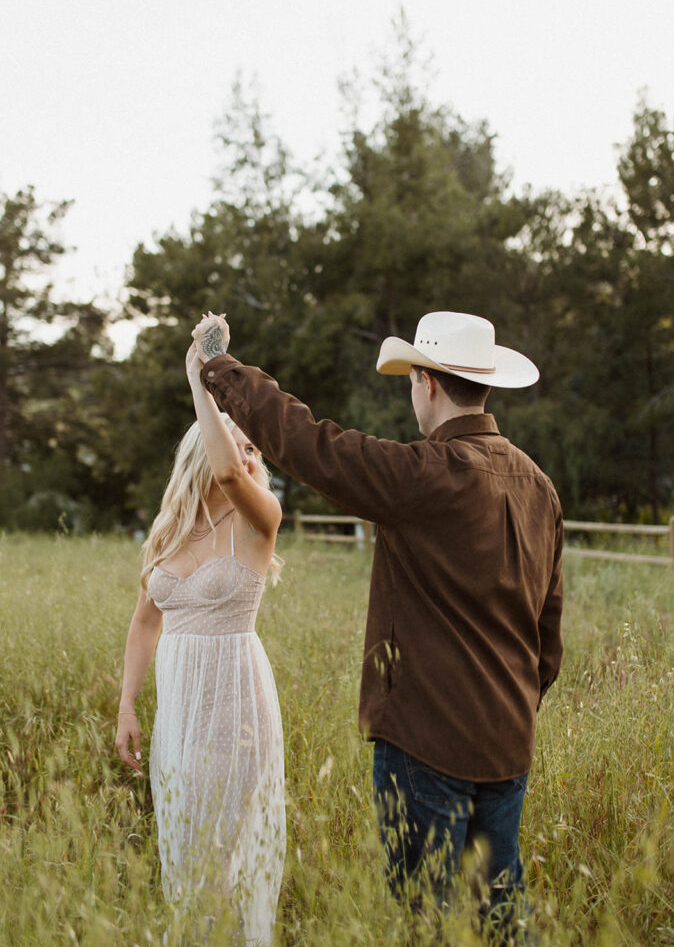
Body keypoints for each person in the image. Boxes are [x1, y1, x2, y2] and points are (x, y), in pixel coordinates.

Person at [191, 309, 564, 942]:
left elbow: (310, 443)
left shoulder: (426, 476)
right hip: (508, 742)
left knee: (427, 921)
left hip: (424, 741)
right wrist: (514, 706)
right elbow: (547, 637)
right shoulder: (540, 488)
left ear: (429, 384)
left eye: (413, 380)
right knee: (502, 920)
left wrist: (215, 366)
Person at [115, 340, 286, 945]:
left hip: (235, 709)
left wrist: (201, 379)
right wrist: (129, 705)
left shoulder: (258, 519)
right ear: (198, 448)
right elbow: (144, 622)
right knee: (186, 854)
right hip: (180, 716)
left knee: (216, 864)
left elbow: (225, 472)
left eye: (250, 447)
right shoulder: (167, 532)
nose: (245, 452)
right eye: (234, 440)